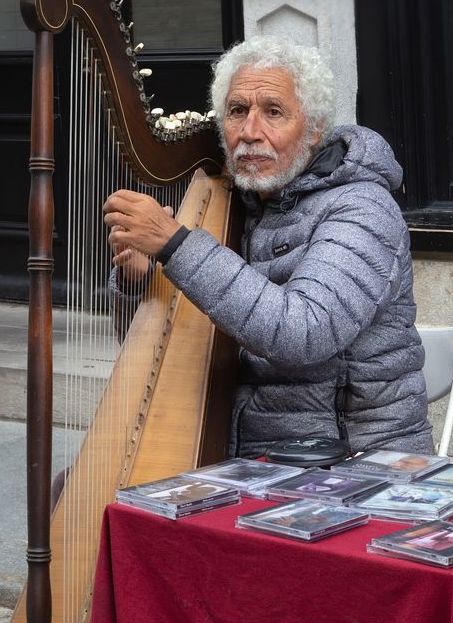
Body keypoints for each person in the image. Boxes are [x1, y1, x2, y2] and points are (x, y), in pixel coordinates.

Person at [104, 35, 433, 460]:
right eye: (237, 111)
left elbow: (305, 333)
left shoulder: (364, 209)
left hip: (349, 460)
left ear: (315, 128)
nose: (249, 133)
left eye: (273, 112)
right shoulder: (236, 204)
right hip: (253, 454)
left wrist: (176, 245)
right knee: (81, 497)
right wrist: (139, 281)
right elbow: (156, 345)